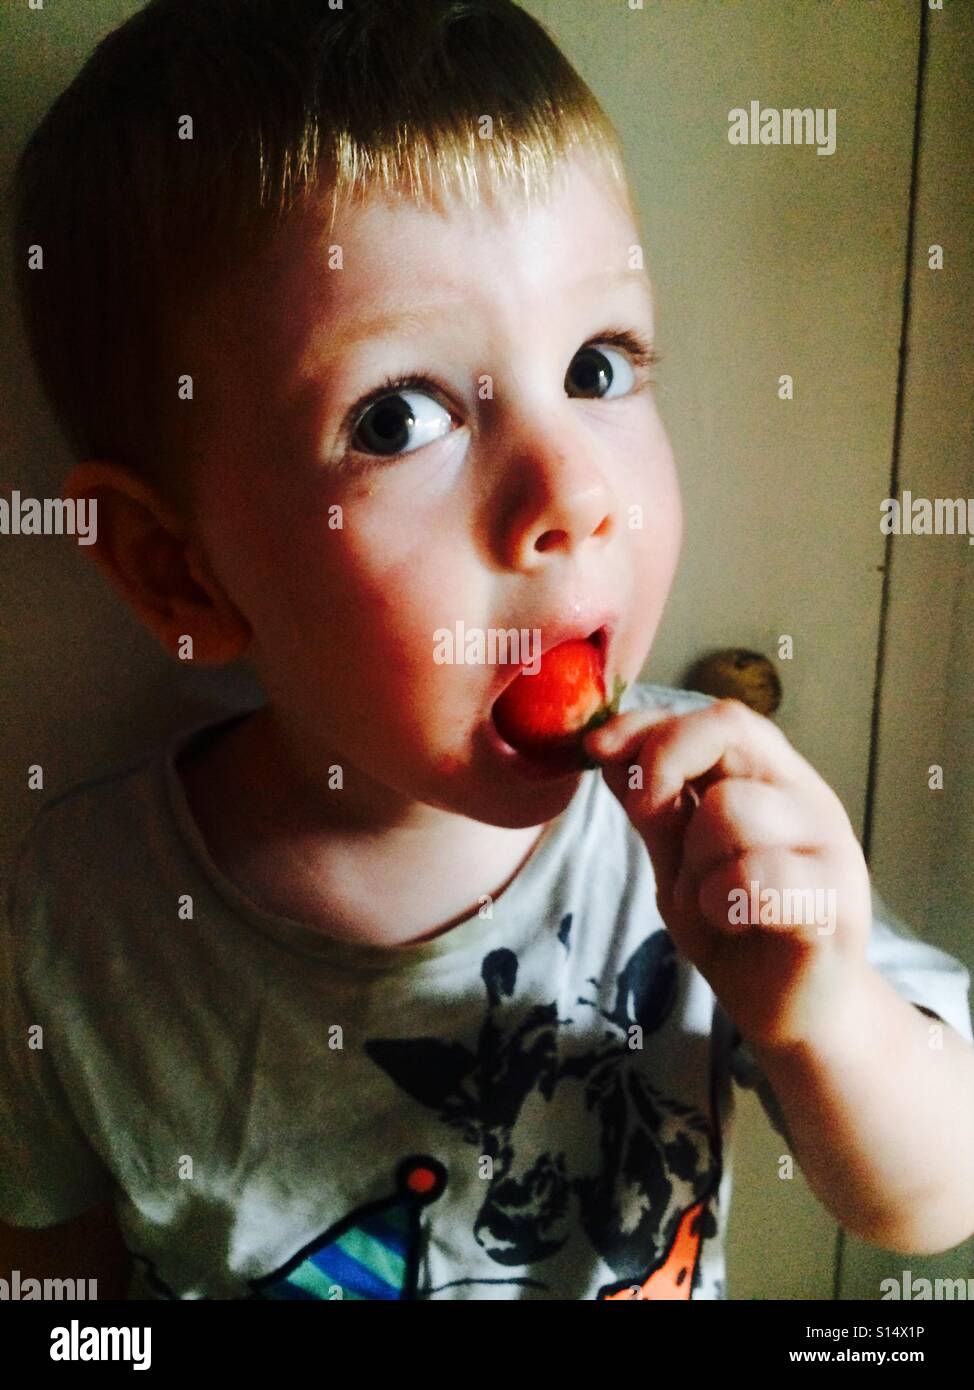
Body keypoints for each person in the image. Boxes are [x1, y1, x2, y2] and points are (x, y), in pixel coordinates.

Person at [2, 0, 972, 1301]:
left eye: (597, 365)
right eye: (399, 416)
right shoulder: (77, 921)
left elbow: (930, 1196)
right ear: (179, 566)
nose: (572, 495)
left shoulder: (706, 824)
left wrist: (824, 1014)